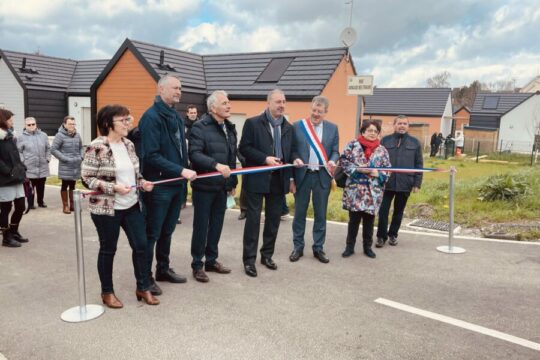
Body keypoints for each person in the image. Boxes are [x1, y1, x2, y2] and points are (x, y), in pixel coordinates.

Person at [81, 105, 159, 308]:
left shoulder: (129, 144)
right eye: (123, 120)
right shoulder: (96, 146)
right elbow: (86, 178)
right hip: (107, 208)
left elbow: (134, 174)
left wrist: (142, 183)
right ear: (108, 124)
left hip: (131, 205)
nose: (128, 123)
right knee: (109, 249)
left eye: (128, 119)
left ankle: (143, 287)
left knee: (141, 246)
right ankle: (107, 292)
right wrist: (112, 187)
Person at [139, 75, 197, 295]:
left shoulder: (175, 116)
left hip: (176, 184)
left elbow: (180, 150)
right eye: (175, 88)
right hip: (160, 184)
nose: (179, 91)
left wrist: (186, 167)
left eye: (181, 88)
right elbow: (151, 155)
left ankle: (163, 269)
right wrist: (181, 170)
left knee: (168, 230)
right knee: (153, 232)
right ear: (161, 89)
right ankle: (146, 277)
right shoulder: (151, 118)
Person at [239, 89, 294, 277]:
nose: (281, 105)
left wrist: (295, 165)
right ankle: (249, 260)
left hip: (279, 180)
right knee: (253, 221)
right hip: (257, 179)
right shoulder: (253, 123)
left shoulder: (288, 127)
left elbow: (291, 152)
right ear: (268, 103)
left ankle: (267, 255)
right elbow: (244, 148)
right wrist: (264, 159)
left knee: (273, 221)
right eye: (278, 101)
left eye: (284, 102)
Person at [188, 90, 238, 282]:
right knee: (201, 226)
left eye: (228, 102)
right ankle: (197, 264)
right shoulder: (200, 127)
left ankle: (211, 260)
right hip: (204, 186)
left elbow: (232, 157)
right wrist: (215, 165)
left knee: (216, 225)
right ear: (213, 108)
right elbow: (195, 154)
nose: (229, 106)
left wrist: (232, 182)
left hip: (222, 187)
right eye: (224, 103)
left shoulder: (229, 127)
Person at [289, 96, 339, 263]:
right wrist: (295, 158)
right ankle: (298, 247)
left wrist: (332, 160)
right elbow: (292, 150)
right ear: (310, 109)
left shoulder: (333, 128)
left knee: (320, 215)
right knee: (299, 214)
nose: (316, 114)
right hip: (302, 176)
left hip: (322, 177)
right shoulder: (298, 126)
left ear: (326, 112)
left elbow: (335, 150)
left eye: (320, 111)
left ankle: (318, 248)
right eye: (314, 110)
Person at [340, 119, 390, 258]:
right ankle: (349, 247)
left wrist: (378, 174)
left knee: (369, 221)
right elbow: (343, 160)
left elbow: (388, 168)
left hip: (373, 192)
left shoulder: (382, 150)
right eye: (369, 130)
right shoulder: (352, 145)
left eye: (375, 131)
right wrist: (358, 170)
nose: (372, 133)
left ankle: (367, 247)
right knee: (354, 220)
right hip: (355, 190)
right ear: (363, 131)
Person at [376, 115, 423, 247]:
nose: (402, 126)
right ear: (394, 125)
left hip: (405, 183)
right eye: (399, 123)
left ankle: (393, 235)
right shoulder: (385, 140)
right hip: (386, 183)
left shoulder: (415, 142)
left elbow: (419, 164)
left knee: (398, 211)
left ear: (408, 126)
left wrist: (417, 183)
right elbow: (378, 161)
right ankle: (381, 236)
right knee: (383, 211)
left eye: (404, 124)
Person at [0, 109, 28, 248]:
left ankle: (14, 231)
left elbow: (15, 157)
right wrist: (8, 171)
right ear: (3, 121)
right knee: (5, 208)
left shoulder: (10, 136)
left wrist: (22, 168)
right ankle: (6, 238)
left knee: (21, 206)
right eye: (10, 119)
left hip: (16, 177)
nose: (12, 122)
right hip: (5, 180)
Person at [51, 116, 83, 214]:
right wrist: (65, 159)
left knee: (73, 184)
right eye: (70, 124)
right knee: (65, 185)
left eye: (73, 124)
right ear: (64, 124)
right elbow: (53, 149)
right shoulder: (59, 135)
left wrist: (81, 157)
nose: (72, 126)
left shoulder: (77, 135)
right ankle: (65, 206)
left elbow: (81, 147)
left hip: (76, 164)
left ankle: (73, 205)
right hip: (66, 165)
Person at [17, 117, 51, 209]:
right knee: (30, 186)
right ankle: (30, 203)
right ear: (25, 126)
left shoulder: (43, 135)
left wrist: (47, 159)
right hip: (29, 166)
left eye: (33, 124)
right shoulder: (21, 137)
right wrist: (23, 161)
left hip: (42, 165)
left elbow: (48, 148)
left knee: (41, 186)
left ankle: (41, 202)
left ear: (36, 124)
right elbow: (18, 151)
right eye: (29, 125)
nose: (31, 126)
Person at [177, 105, 199, 225]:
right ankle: (182, 201)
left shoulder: (200, 124)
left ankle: (196, 200)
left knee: (196, 179)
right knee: (183, 181)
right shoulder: (183, 124)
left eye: (195, 113)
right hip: (185, 156)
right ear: (187, 113)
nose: (193, 114)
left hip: (196, 155)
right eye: (191, 113)